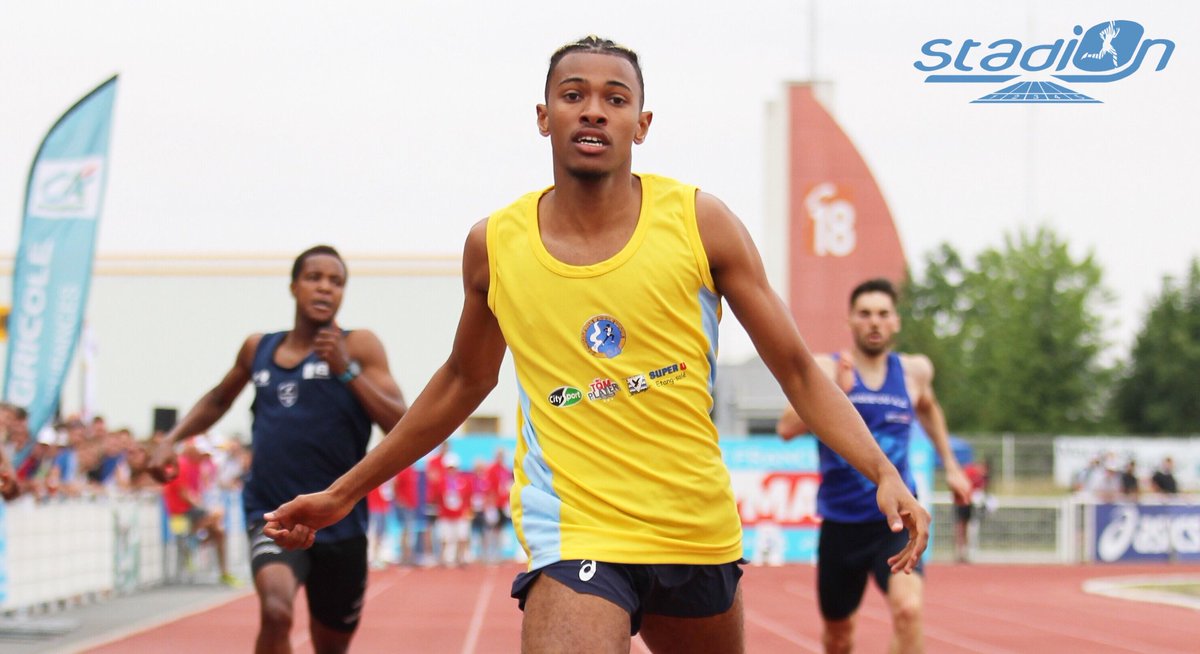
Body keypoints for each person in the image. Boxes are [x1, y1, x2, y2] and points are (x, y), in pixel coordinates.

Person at [263, 36, 928, 653]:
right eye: (573, 93)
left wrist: (882, 471)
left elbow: (798, 371)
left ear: (641, 123)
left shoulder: (702, 224)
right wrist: (345, 492)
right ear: (543, 115)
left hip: (692, 530)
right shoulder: (495, 245)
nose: (594, 111)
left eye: (616, 98)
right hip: (575, 530)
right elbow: (463, 382)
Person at [146, 245, 407, 654]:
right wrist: (169, 440)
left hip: (339, 517)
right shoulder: (258, 350)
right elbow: (217, 400)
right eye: (314, 278)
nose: (325, 288)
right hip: (273, 511)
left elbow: (400, 423)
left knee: (331, 646)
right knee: (276, 611)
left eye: (335, 282)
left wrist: (346, 371)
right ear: (293, 286)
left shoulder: (359, 346)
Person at [777, 277, 970, 654]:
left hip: (895, 521)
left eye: (883, 314)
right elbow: (786, 428)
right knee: (838, 636)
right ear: (849, 321)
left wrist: (951, 464)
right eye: (864, 314)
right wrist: (837, 395)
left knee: (909, 610)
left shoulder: (915, 372)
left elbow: (929, 409)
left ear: (896, 321)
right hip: (841, 524)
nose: (874, 322)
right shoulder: (827, 371)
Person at [954, 458, 989, 563]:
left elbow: (981, 490)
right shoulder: (970, 471)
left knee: (968, 527)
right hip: (962, 502)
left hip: (970, 503)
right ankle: (960, 551)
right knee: (960, 526)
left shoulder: (982, 477)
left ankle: (966, 552)